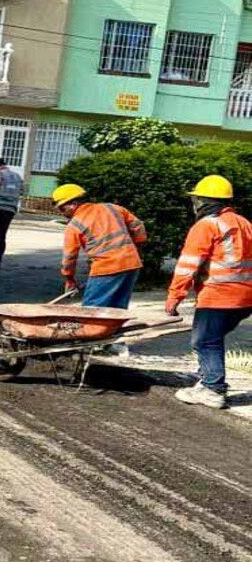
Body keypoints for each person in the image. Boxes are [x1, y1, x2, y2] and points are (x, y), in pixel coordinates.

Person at [165, 175, 252, 410]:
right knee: (212, 338)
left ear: (204, 201)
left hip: (219, 295)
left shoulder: (206, 225)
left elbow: (188, 265)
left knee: (205, 341)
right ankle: (207, 379)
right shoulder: (244, 223)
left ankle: (213, 389)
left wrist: (175, 297)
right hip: (245, 297)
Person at [52, 184, 147, 309]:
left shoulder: (74, 225)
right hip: (132, 264)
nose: (62, 213)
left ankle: (93, 329)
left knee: (91, 310)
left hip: (106, 268)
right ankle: (112, 328)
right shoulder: (112, 208)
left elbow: (69, 258)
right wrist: (136, 250)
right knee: (118, 310)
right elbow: (138, 226)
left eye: (62, 209)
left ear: (73, 204)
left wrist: (69, 278)